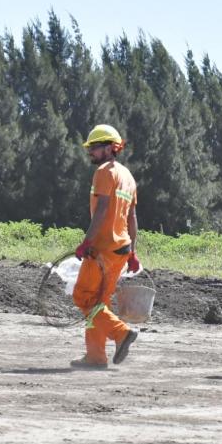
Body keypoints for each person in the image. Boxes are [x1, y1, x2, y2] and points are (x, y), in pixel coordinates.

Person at [69, 124, 141, 370]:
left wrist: (86, 242)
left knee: (84, 297)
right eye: (90, 148)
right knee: (101, 302)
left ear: (112, 148)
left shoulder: (104, 172)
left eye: (96, 147)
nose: (91, 152)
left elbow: (101, 211)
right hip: (121, 249)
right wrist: (133, 253)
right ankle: (96, 356)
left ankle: (121, 333)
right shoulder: (129, 177)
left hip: (101, 248)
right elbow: (132, 219)